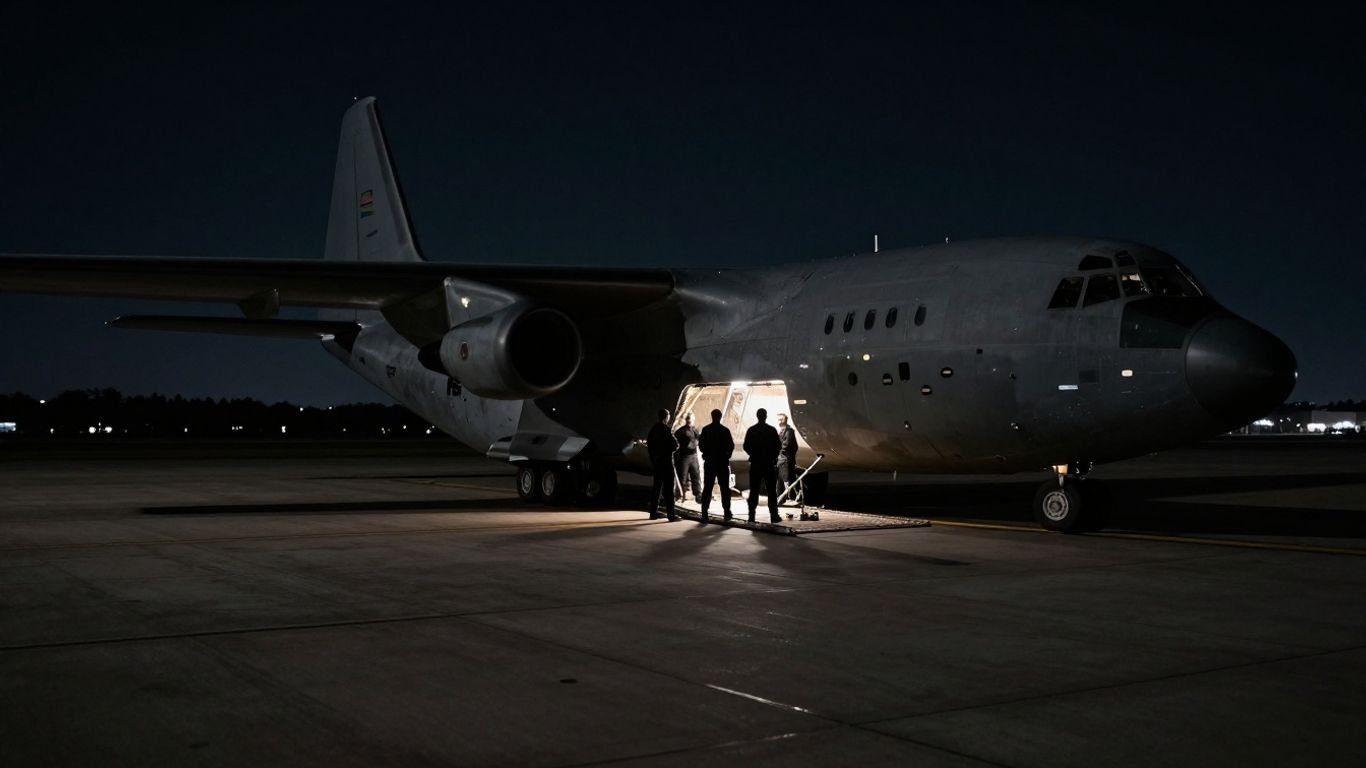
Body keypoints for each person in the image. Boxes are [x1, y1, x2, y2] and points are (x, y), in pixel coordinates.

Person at [742, 407, 782, 524]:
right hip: (768, 463)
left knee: (754, 490)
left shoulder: (751, 430)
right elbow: (778, 446)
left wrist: (753, 454)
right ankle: (774, 515)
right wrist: (772, 457)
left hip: (755, 463)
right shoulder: (771, 430)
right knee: (771, 491)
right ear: (765, 416)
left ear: (757, 416)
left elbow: (746, 446)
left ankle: (751, 516)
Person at [697, 408, 734, 522]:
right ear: (720, 417)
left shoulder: (706, 430)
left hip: (710, 462)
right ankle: (727, 511)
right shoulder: (725, 430)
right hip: (722, 462)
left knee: (708, 487)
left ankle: (704, 511)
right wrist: (726, 456)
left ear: (712, 416)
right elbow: (730, 446)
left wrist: (706, 455)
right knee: (725, 488)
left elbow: (701, 445)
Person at [646, 408, 679, 521]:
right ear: (666, 417)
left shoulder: (653, 429)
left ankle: (653, 513)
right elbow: (675, 445)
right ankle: (671, 515)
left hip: (656, 463)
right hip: (666, 462)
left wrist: (653, 459)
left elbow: (649, 446)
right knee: (669, 489)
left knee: (656, 488)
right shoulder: (666, 429)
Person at [674, 412, 702, 503]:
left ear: (693, 419)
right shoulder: (680, 431)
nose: (689, 420)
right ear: (685, 420)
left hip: (694, 456)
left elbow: (699, 440)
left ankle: (698, 496)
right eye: (688, 418)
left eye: (691, 418)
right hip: (684, 457)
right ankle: (680, 495)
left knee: (696, 476)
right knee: (682, 477)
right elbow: (675, 444)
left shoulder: (695, 430)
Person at [776, 413, 800, 504]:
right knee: (781, 481)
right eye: (778, 419)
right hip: (781, 460)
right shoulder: (782, 431)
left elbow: (787, 445)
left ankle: (793, 497)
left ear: (786, 420)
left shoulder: (789, 431)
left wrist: (779, 450)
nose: (779, 421)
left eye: (781, 419)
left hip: (786, 459)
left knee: (787, 480)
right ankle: (781, 498)